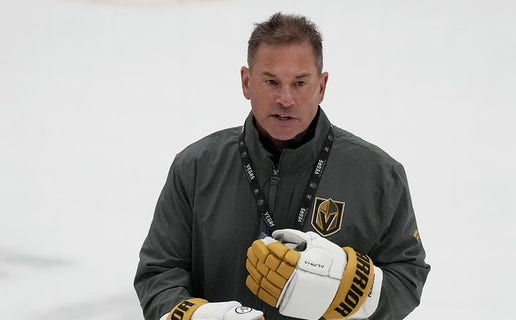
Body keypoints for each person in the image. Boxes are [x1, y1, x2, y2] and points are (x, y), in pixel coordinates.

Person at [134, 12, 430, 320]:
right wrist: (195, 316)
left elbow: (407, 276)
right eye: (271, 81)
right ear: (247, 82)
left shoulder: (378, 175)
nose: (285, 99)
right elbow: (159, 273)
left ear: (322, 85)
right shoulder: (195, 168)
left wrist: (356, 292)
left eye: (300, 83)